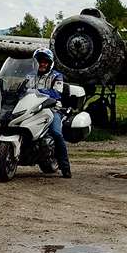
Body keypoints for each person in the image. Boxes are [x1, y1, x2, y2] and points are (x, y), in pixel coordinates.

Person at [32, 47, 72, 178]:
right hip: (31, 109)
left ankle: (65, 167)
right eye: (40, 61)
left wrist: (37, 92)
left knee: (56, 133)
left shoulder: (56, 76)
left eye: (45, 61)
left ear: (49, 63)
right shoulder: (29, 75)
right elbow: (20, 89)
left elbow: (56, 93)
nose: (42, 64)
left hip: (52, 109)